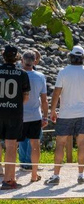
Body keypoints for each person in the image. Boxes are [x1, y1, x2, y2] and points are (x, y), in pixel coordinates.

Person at [46, 45, 84, 186]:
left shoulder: (63, 72)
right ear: (83, 58)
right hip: (82, 113)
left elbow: (56, 93)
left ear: (70, 57)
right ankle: (81, 175)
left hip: (65, 113)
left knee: (60, 144)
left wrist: (52, 110)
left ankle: (56, 176)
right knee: (81, 143)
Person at [1, 46, 30, 190]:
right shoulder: (22, 74)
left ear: (3, 55)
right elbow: (26, 97)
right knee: (11, 146)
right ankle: (9, 179)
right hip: (14, 112)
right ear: (18, 57)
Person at [20, 50, 46, 183]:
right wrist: (45, 116)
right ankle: (34, 173)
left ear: (22, 61)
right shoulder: (40, 76)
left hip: (19, 114)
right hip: (35, 114)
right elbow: (44, 99)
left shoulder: (18, 75)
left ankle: (21, 165)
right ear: (35, 61)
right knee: (35, 143)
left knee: (15, 143)